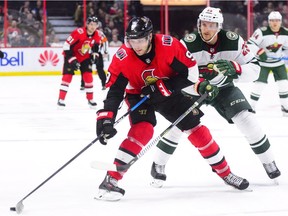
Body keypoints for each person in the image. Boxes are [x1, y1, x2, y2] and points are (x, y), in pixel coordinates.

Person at [95, 16, 250, 201]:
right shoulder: (123, 56)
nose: (136, 45)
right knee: (142, 130)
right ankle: (111, 180)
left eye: (141, 40)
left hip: (168, 91)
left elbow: (190, 73)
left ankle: (225, 173)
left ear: (150, 36)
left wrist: (166, 87)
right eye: (132, 40)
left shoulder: (169, 45)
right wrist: (106, 118)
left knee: (198, 131)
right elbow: (114, 91)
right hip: (139, 95)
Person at [149, 7, 281, 188]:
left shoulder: (233, 41)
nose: (207, 29)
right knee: (179, 123)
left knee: (247, 119)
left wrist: (237, 68)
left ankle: (268, 161)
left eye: (211, 25)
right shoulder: (187, 43)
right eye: (204, 24)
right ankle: (159, 163)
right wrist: (197, 83)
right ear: (199, 24)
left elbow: (255, 69)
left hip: (224, 87)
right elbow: (174, 74)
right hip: (195, 88)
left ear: (219, 26)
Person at [247, 11, 288, 116]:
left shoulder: (286, 32)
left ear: (280, 21)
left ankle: (285, 107)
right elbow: (250, 44)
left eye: (277, 20)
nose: (275, 23)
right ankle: (251, 107)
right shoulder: (261, 32)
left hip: (279, 63)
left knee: (284, 85)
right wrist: (259, 52)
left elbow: (286, 48)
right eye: (272, 20)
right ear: (269, 22)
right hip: (263, 64)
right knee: (259, 85)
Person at [57, 16, 102, 108]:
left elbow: (96, 46)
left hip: (84, 57)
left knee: (88, 77)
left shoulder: (97, 34)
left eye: (95, 25)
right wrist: (72, 60)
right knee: (67, 77)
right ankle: (61, 99)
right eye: (91, 24)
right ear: (87, 24)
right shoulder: (78, 32)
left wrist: (95, 55)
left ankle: (90, 99)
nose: (93, 27)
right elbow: (66, 46)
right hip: (71, 55)